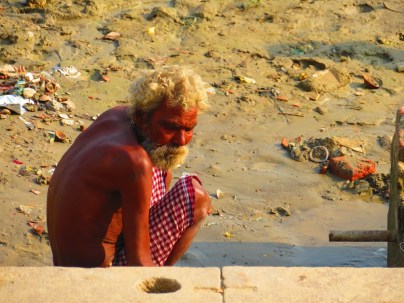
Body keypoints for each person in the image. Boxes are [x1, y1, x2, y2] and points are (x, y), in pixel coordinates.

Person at [47, 65, 212, 267]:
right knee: (197, 197)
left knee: (162, 160)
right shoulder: (133, 161)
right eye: (171, 127)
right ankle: (163, 275)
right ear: (142, 117)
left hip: (65, 262)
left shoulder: (117, 114)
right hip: (98, 275)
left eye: (189, 128)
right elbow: (139, 263)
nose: (182, 139)